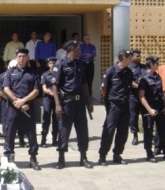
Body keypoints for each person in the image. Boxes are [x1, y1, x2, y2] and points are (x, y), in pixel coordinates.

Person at [52, 40, 93, 169]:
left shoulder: (80, 64)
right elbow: (54, 85)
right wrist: (57, 104)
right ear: (72, 50)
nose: (81, 51)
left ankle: (83, 157)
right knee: (64, 130)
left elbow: (84, 84)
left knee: (82, 130)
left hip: (80, 102)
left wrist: (89, 102)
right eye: (79, 49)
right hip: (67, 102)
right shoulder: (60, 64)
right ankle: (61, 158)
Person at [2, 48, 41, 170]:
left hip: (28, 107)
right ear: (15, 57)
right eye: (19, 56)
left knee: (31, 133)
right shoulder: (10, 72)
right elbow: (6, 88)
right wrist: (16, 101)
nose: (21, 58)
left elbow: (36, 90)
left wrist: (24, 101)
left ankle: (33, 158)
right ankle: (9, 159)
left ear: (27, 58)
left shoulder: (33, 73)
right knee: (10, 133)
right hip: (13, 108)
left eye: (24, 56)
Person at [98, 49, 133, 166]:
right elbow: (103, 89)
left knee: (123, 132)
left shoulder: (129, 72)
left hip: (125, 105)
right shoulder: (111, 71)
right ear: (124, 59)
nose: (131, 60)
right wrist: (109, 103)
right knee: (109, 130)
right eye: (130, 58)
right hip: (114, 105)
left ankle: (117, 154)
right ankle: (102, 156)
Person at [138, 56, 165, 163]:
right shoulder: (144, 78)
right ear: (151, 65)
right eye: (156, 63)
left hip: (159, 107)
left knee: (162, 130)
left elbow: (161, 92)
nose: (158, 65)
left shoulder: (157, 76)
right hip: (148, 108)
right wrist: (149, 110)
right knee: (148, 131)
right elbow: (141, 96)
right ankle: (149, 153)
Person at [0, 59, 28, 148]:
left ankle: (21, 140)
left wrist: (21, 101)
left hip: (21, 102)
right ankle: (7, 142)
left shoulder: (23, 74)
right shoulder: (3, 76)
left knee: (22, 122)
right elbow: (1, 91)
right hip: (7, 103)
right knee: (7, 122)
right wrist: (13, 100)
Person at [128, 50, 146, 146]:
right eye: (137, 56)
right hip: (133, 95)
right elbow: (130, 82)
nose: (139, 58)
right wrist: (139, 87)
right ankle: (135, 135)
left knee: (145, 115)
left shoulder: (144, 67)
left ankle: (147, 134)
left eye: (140, 56)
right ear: (132, 57)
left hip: (144, 96)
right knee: (133, 116)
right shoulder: (129, 68)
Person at [40, 57, 59, 148]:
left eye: (54, 63)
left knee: (56, 119)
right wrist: (50, 92)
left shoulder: (59, 73)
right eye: (51, 63)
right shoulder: (45, 74)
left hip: (57, 99)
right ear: (48, 64)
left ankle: (55, 139)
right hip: (48, 98)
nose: (53, 64)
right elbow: (43, 88)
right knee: (46, 119)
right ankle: (43, 139)